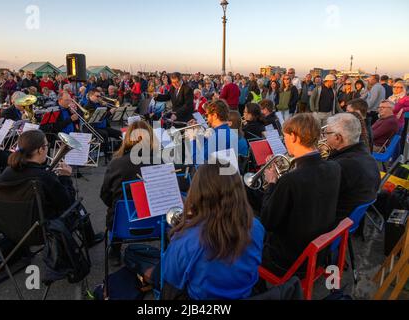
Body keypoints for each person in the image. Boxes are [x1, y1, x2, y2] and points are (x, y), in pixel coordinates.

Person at [157, 163, 265, 300]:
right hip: (245, 294)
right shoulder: (256, 227)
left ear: (198, 192)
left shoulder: (187, 239)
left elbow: (171, 276)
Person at [259, 114, 341, 276]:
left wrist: (272, 183)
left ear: (294, 137)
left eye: (285, 137)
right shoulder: (334, 167)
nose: (284, 141)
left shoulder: (291, 180)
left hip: (288, 260)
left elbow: (267, 221)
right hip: (318, 252)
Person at [100, 121, 158, 265]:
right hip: (155, 220)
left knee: (115, 208)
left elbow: (105, 195)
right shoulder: (161, 160)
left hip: (122, 222)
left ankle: (115, 250)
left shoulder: (116, 163)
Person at [325, 113, 380, 221]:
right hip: (352, 218)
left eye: (326, 133)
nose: (324, 137)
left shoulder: (341, 166)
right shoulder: (367, 156)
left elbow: (318, 197)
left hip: (337, 223)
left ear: (337, 137)